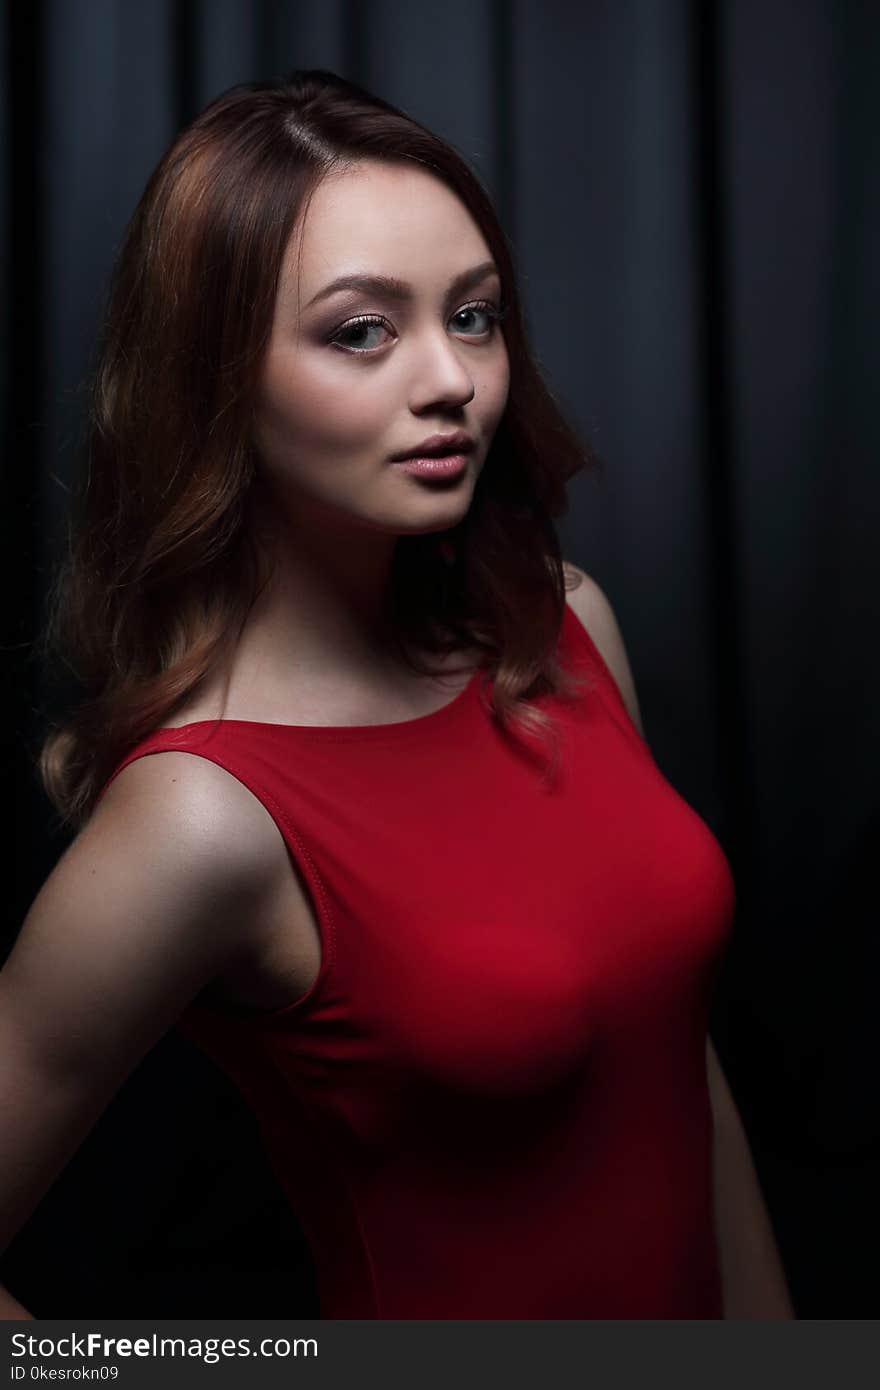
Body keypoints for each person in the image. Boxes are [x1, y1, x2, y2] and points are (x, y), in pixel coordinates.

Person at [0, 70, 794, 1320]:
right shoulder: (205, 814)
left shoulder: (566, 626)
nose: (452, 382)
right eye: (361, 330)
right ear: (212, 374)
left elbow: (672, 1069)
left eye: (473, 316)